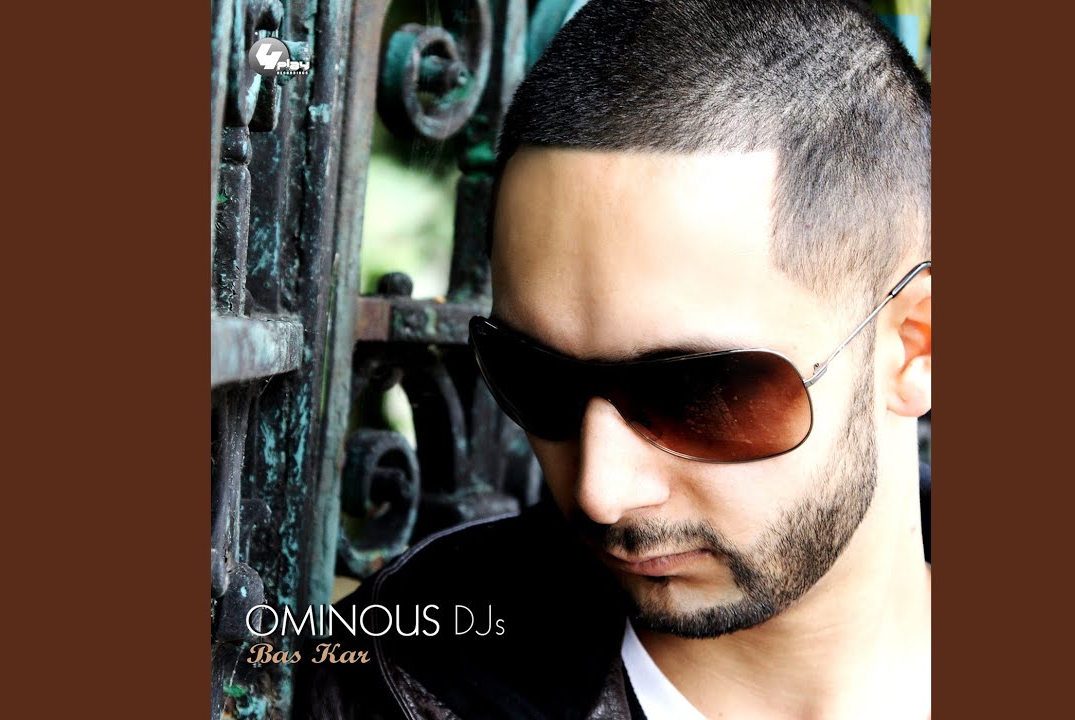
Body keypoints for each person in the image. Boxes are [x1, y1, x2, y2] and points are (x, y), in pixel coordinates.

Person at [299, 1, 931, 717]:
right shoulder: (397, 678)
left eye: (696, 395)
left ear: (915, 348)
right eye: (535, 377)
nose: (601, 491)